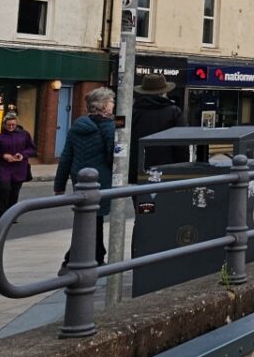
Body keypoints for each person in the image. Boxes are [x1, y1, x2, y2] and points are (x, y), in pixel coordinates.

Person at [54, 86, 118, 266]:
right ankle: (86, 257)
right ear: (103, 105)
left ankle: (91, 254)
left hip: (80, 178)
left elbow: (66, 156)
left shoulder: (77, 125)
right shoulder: (109, 127)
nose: (113, 104)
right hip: (100, 179)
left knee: (87, 217)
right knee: (95, 219)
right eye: (111, 101)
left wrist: (59, 184)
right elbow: (112, 156)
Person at [129, 73, 185, 183]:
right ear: (164, 92)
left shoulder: (132, 112)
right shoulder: (174, 112)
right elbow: (181, 145)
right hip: (166, 171)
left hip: (136, 170)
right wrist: (181, 168)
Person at [0, 111, 37, 220]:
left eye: (13, 125)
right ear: (4, 124)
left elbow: (32, 149)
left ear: (16, 123)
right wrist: (3, 156)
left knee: (14, 192)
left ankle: (11, 216)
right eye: (8, 125)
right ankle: (1, 216)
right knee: (5, 189)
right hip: (3, 168)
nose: (11, 127)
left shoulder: (24, 134)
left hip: (19, 167)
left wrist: (23, 155)